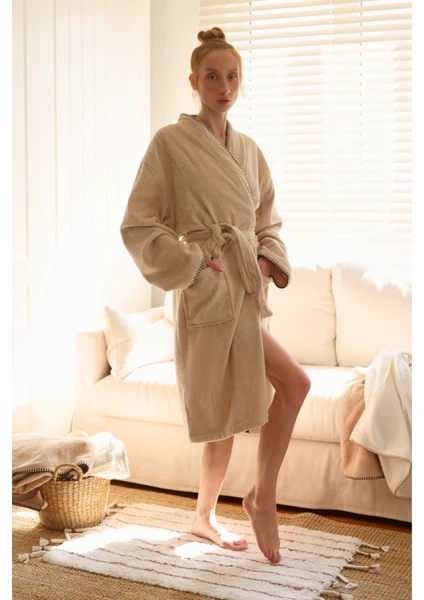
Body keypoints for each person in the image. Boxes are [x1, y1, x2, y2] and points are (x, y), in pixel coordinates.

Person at [120, 27, 311, 564]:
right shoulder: (169, 144)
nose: (223, 87)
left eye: (232, 77)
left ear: (240, 82)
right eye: (212, 77)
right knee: (223, 414)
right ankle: (209, 516)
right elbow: (139, 224)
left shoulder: (248, 150)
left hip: (246, 291)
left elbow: (268, 219)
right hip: (208, 290)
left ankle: (258, 497)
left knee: (292, 385)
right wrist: (194, 267)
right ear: (193, 81)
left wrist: (267, 259)